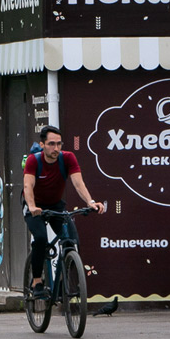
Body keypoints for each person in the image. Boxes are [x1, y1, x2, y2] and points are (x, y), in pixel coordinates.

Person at [24, 125, 104, 299]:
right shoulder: (34, 160)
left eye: (59, 144)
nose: (56, 148)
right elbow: (28, 185)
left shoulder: (67, 158)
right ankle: (37, 281)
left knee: (71, 241)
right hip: (35, 206)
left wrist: (90, 202)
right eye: (51, 144)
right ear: (42, 145)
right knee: (40, 239)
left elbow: (78, 183)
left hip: (55, 205)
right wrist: (31, 206)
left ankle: (62, 284)